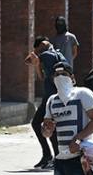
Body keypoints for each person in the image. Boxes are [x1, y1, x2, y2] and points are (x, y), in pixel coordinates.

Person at [25, 36, 65, 168]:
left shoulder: (46, 55)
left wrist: (35, 56)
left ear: (42, 44)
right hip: (57, 97)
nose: (37, 53)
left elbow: (27, 61)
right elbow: (43, 77)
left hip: (50, 98)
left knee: (37, 123)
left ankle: (50, 155)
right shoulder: (58, 54)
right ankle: (55, 156)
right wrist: (37, 65)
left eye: (37, 49)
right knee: (50, 125)